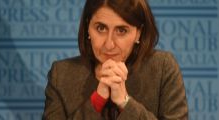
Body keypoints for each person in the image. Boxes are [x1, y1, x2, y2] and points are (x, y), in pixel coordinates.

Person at [42, 0, 188, 119]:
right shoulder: (60, 75)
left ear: (138, 33)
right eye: (101, 28)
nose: (109, 44)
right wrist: (97, 100)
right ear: (88, 27)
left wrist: (125, 102)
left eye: (121, 31)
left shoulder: (162, 68)